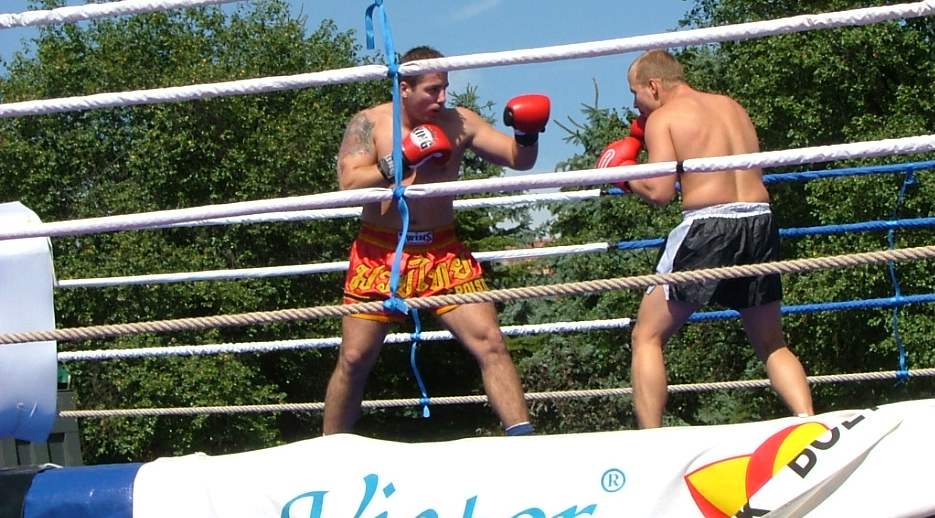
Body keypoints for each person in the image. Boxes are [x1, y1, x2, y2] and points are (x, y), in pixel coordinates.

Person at [323, 46, 549, 437]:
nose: (442, 97)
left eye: (445, 87)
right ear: (404, 88)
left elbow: (518, 159)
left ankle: (523, 440)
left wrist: (527, 132)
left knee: (491, 341)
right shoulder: (370, 122)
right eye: (432, 89)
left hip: (443, 253)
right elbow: (349, 184)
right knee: (355, 358)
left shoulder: (460, 122)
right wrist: (400, 161)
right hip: (382, 252)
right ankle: (330, 450)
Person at [597, 49, 814, 428]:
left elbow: (660, 192)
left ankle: (650, 441)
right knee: (772, 344)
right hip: (759, 221)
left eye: (635, 93)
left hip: (709, 227)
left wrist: (623, 174)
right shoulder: (731, 106)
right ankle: (809, 422)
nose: (635, 105)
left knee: (646, 337)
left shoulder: (664, 117)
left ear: (654, 86)